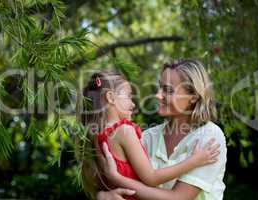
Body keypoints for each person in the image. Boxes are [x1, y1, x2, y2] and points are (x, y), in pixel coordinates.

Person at [76, 69, 220, 200]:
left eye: (168, 90)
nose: (133, 104)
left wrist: (104, 192)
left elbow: (103, 182)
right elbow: (151, 178)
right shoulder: (127, 131)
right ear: (111, 97)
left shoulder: (97, 135)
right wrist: (194, 161)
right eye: (129, 96)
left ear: (193, 97)